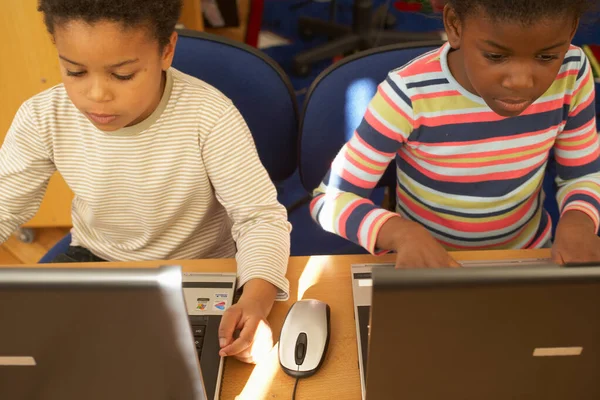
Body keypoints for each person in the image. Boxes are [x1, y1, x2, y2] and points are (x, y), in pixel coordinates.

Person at [0, 0, 291, 364]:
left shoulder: (210, 117)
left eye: (122, 75)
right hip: (98, 260)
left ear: (166, 49)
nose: (96, 95)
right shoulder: (44, 116)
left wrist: (255, 300)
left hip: (202, 269)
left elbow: (259, 219)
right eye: (75, 72)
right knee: (43, 360)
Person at [311, 0, 600, 267]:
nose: (521, 81)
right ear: (454, 24)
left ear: (572, 30)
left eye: (547, 56)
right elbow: (329, 201)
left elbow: (583, 174)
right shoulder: (409, 94)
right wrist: (400, 234)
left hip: (529, 257)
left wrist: (580, 221)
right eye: (496, 56)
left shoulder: (572, 72)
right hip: (428, 267)